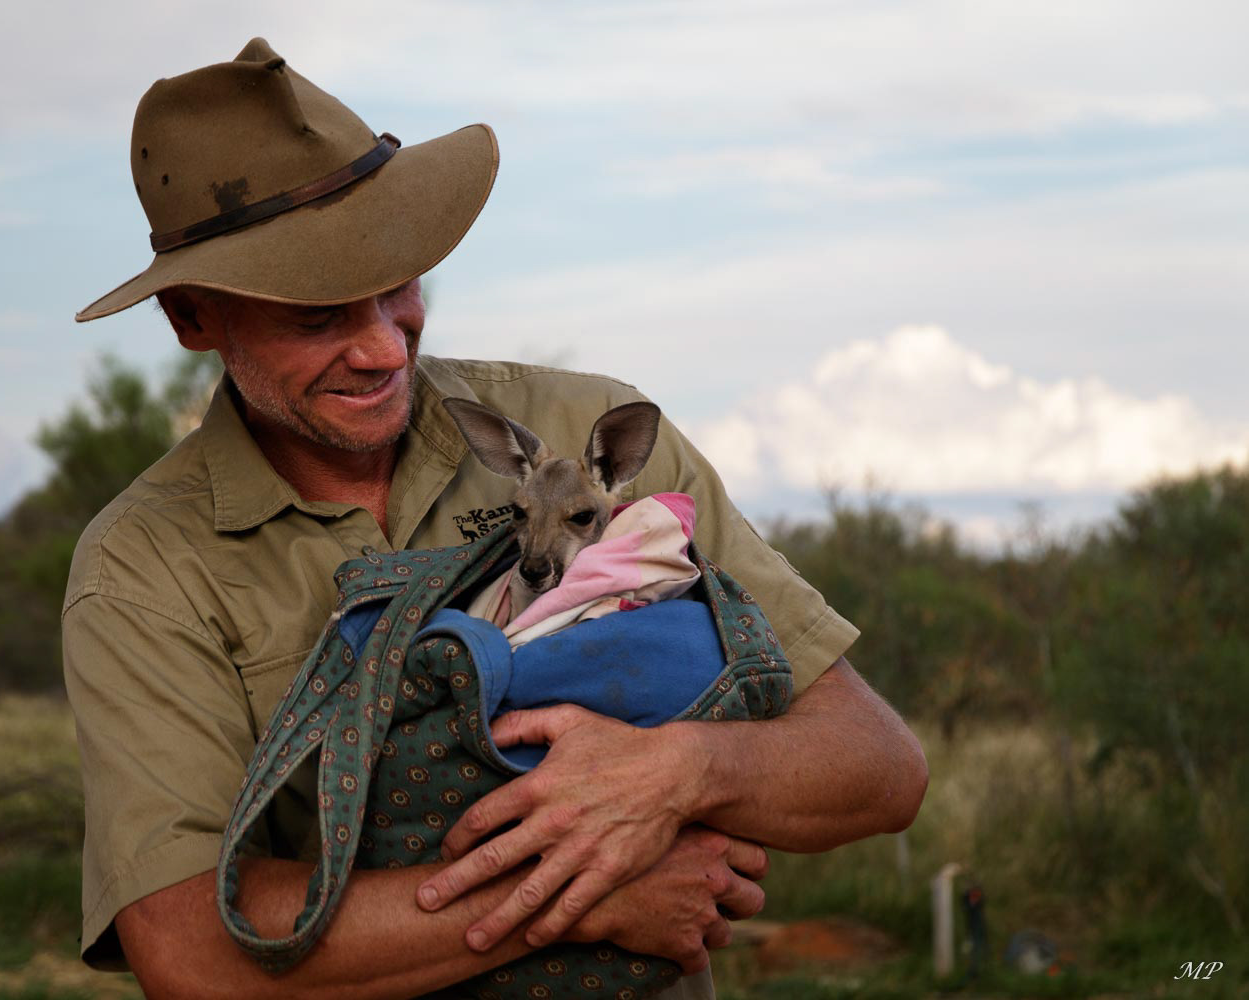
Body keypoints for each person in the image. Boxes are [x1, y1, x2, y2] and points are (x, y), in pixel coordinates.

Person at [63, 37, 928, 1000]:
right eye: (317, 316)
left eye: (397, 283)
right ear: (193, 316)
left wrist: (676, 773)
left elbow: (877, 767)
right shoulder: (144, 569)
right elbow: (190, 954)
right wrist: (584, 889)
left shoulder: (584, 438)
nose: (384, 348)